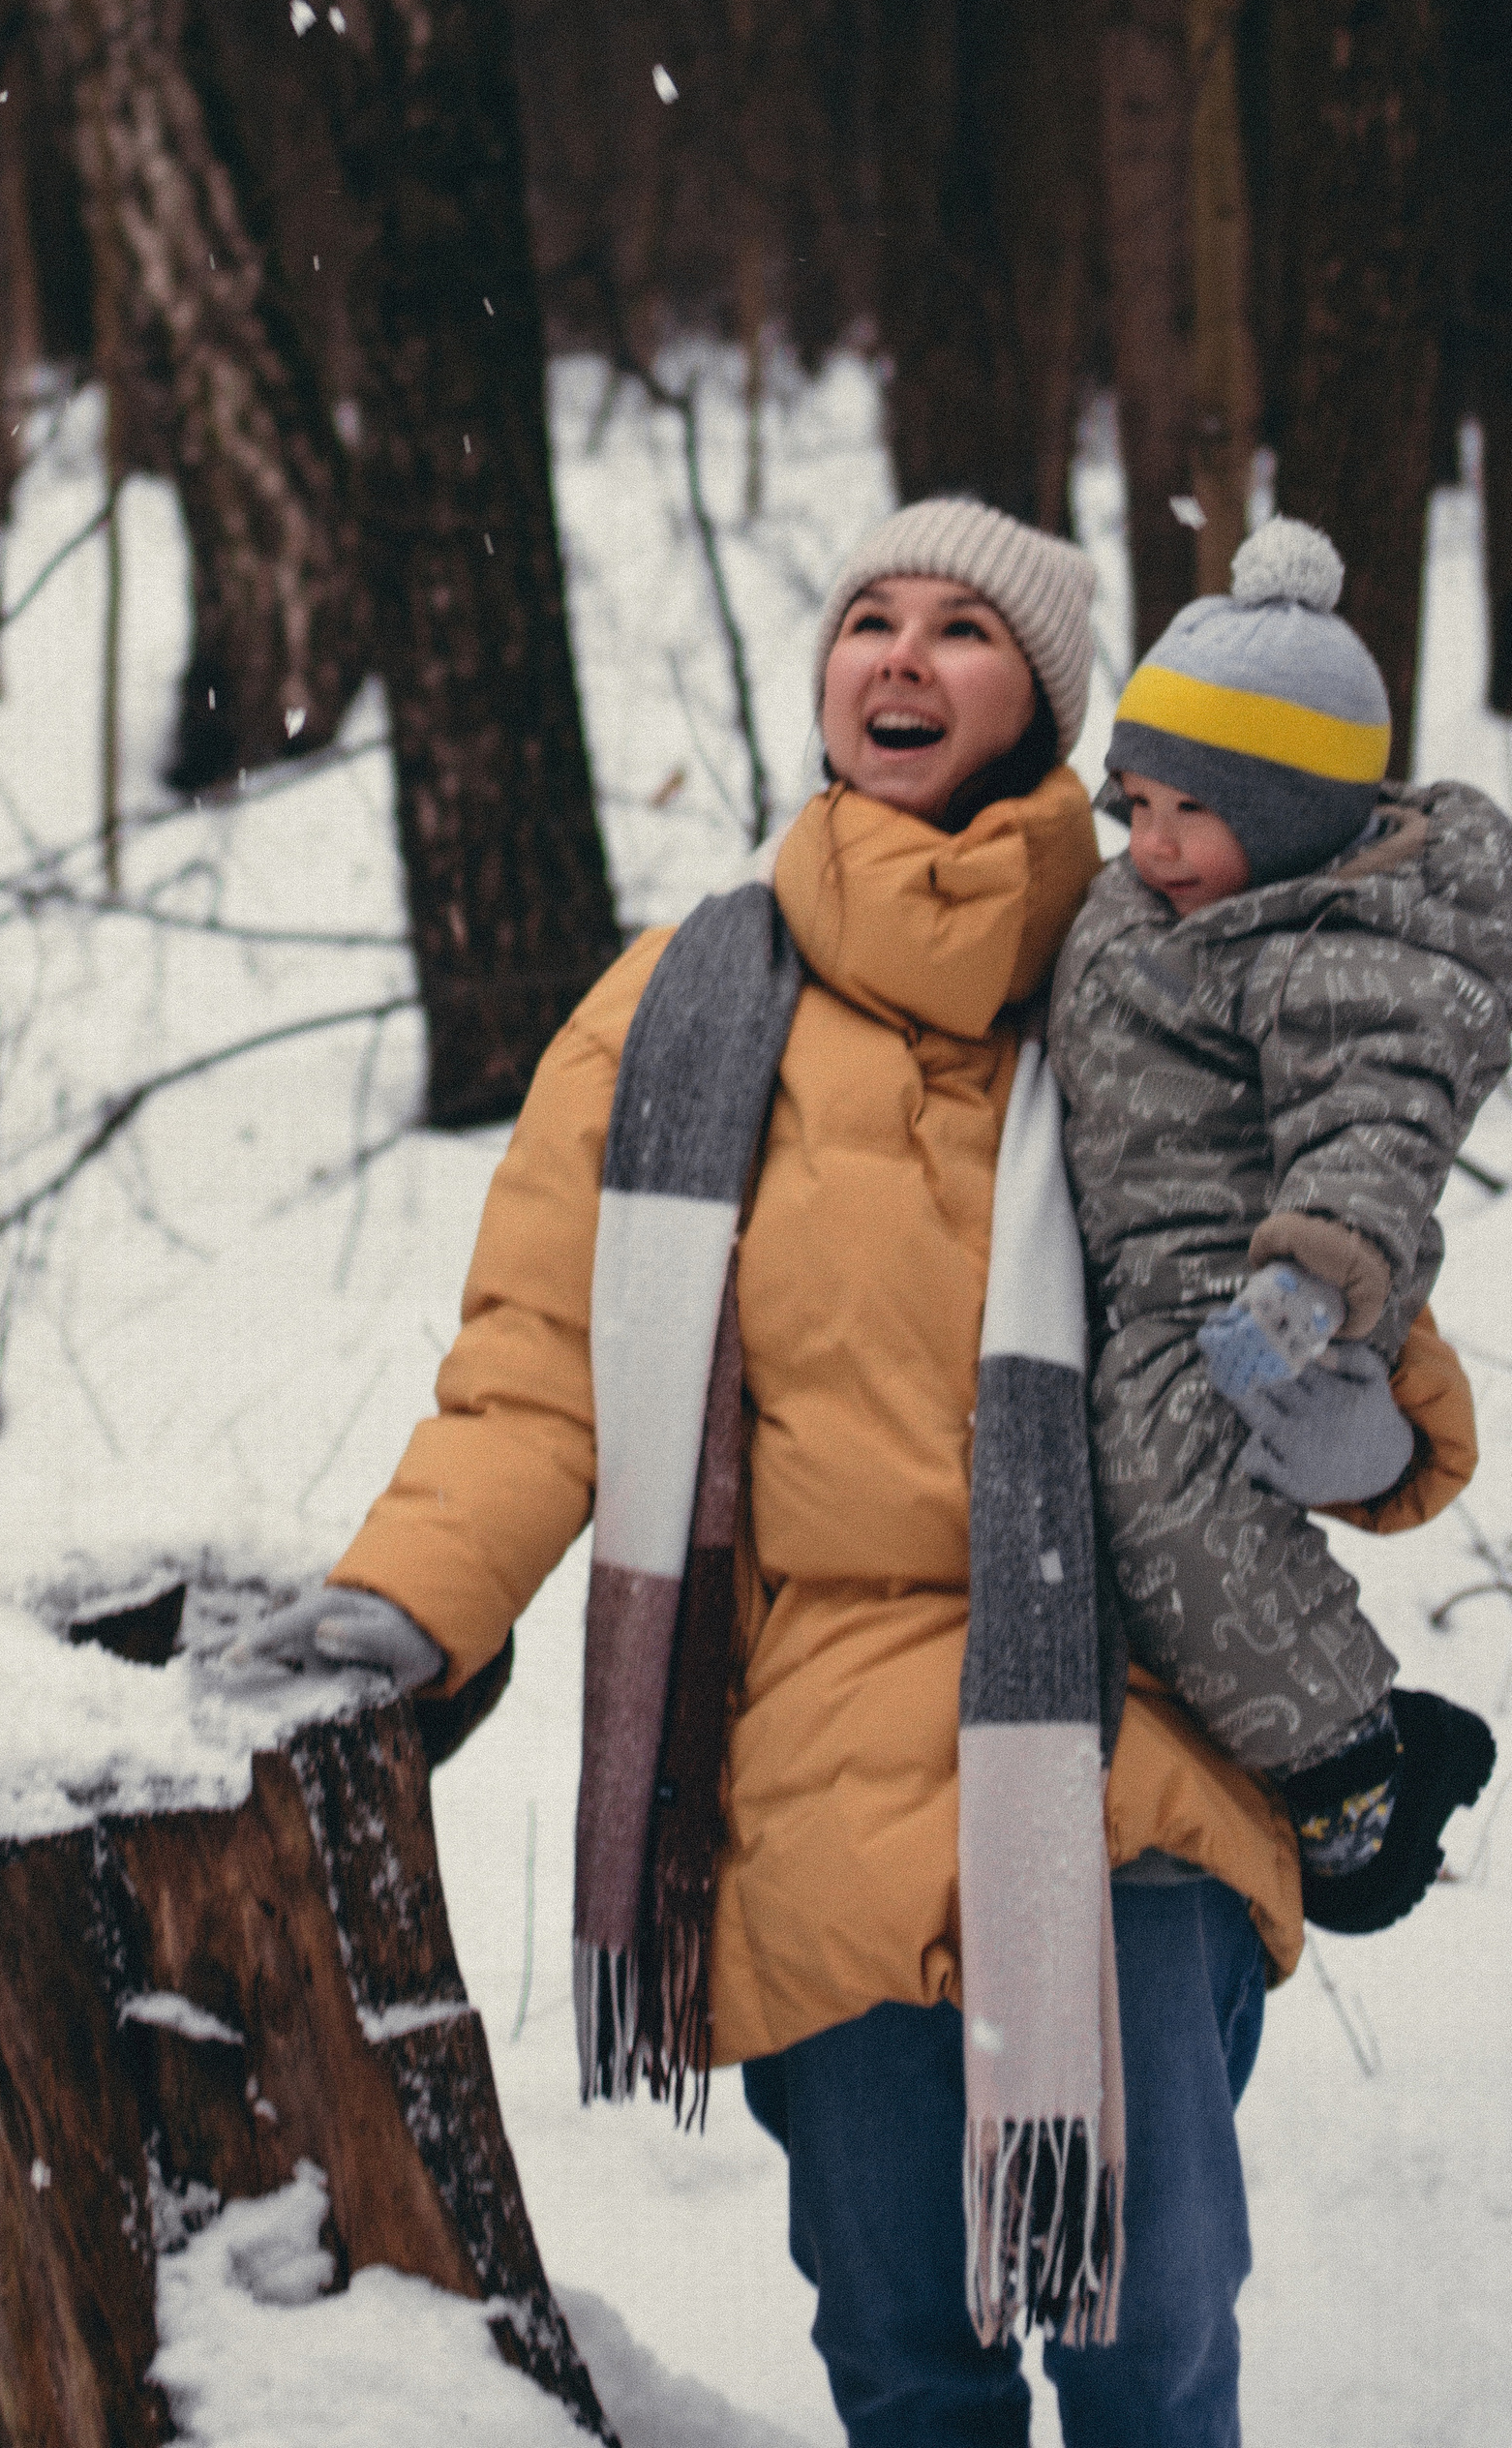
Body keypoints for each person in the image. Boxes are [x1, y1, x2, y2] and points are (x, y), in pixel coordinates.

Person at [247, 496, 1480, 2448]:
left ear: (1046, 707)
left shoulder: (1171, 970)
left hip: (1130, 1734)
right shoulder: (672, 1011)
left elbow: (1339, 1309)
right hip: (805, 1769)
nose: (898, 657)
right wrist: (407, 1605)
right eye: (866, 621)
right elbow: (539, 1371)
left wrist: (1357, 1409)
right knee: (909, 2361)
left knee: (1153, 2342)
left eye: (960, 632)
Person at [1050, 517, 1503, 1932]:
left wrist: (1314, 1278)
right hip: (1152, 1281)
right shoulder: (1180, 899)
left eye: (1198, 811)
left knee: (1182, 1509)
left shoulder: (1334, 953)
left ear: (1302, 817)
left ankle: (1354, 1760)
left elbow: (1381, 1122)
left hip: (1241, 1301)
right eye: (1137, 805)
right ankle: (1342, 1743)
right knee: (1168, 1511)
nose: (1157, 844)